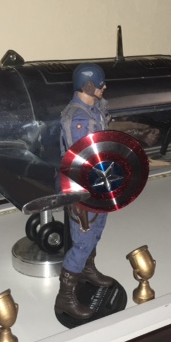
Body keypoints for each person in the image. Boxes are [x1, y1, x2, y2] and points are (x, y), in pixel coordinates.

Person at [55, 63, 114, 320]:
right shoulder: (77, 118)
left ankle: (88, 270)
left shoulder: (96, 107)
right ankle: (65, 297)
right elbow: (80, 158)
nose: (104, 87)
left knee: (97, 230)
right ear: (89, 86)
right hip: (82, 186)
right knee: (82, 240)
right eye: (100, 84)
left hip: (100, 181)